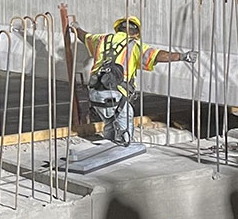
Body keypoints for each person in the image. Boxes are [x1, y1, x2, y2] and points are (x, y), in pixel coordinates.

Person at [74, 14, 196, 145]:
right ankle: (122, 149)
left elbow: (84, 36)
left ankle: (109, 146)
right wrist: (182, 56)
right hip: (116, 94)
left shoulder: (101, 39)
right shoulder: (135, 46)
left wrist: (76, 27)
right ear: (136, 32)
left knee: (109, 122)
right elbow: (157, 55)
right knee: (124, 126)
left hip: (95, 93)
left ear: (118, 28)